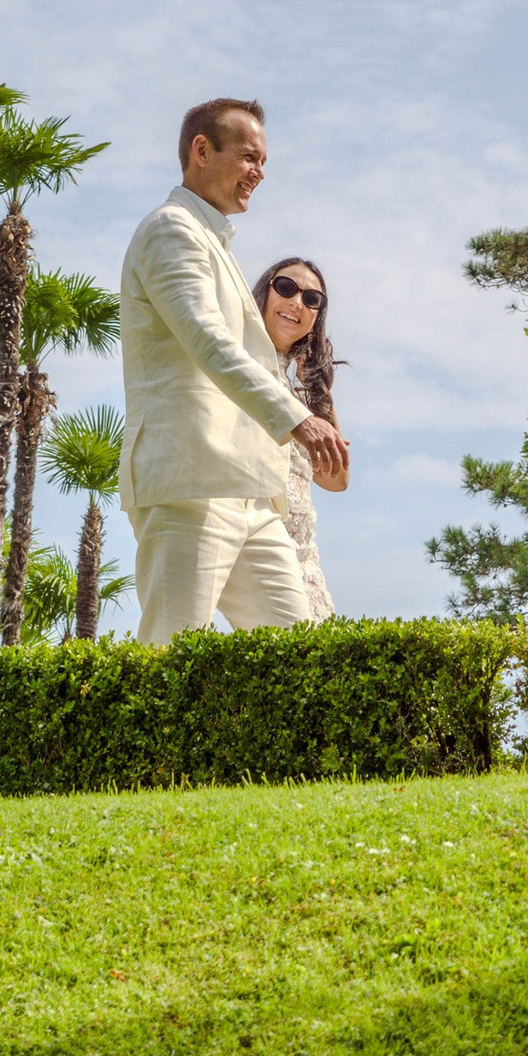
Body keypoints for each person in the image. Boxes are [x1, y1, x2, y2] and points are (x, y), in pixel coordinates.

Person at [119, 97, 353, 646]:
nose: (259, 172)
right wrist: (298, 418)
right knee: (169, 656)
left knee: (302, 656)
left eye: (263, 161)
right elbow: (208, 339)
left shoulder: (214, 241)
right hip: (191, 484)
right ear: (202, 150)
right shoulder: (170, 230)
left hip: (254, 496)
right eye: (249, 157)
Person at [251, 254, 343, 617]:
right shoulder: (238, 367)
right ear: (263, 294)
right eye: (286, 288)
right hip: (256, 541)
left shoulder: (298, 394)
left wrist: (320, 392)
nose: (296, 302)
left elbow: (336, 479)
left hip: (304, 559)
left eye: (311, 298)